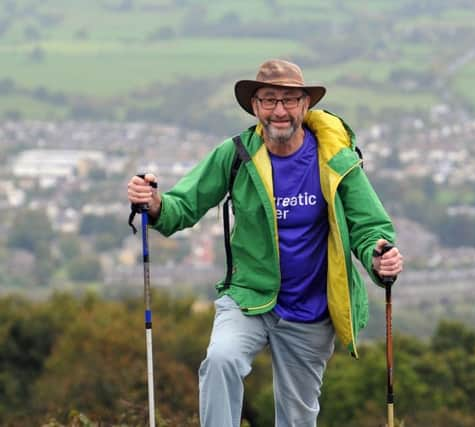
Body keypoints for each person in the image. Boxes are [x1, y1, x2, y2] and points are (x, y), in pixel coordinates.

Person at [127, 58, 403, 427]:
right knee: (221, 360)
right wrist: (154, 202)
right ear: (255, 106)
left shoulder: (334, 158)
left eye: (289, 100)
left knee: (298, 418)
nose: (279, 111)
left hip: (311, 309)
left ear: (306, 106)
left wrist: (379, 257)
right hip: (249, 297)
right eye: (269, 100)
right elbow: (183, 207)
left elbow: (370, 227)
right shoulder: (237, 154)